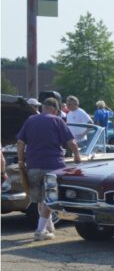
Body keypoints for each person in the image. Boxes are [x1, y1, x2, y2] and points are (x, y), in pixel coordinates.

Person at [16, 97, 81, 241]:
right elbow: (72, 142)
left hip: (33, 165)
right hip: (53, 165)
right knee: (50, 199)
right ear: (55, 109)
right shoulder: (57, 121)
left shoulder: (30, 120)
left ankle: (48, 228)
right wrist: (77, 156)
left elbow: (20, 143)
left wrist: (21, 161)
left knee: (41, 199)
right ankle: (40, 231)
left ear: (43, 107)